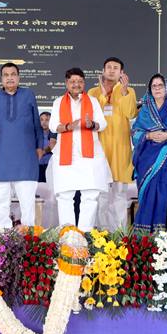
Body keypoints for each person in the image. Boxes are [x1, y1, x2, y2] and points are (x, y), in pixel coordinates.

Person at [0, 62, 42, 228]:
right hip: (1, 158)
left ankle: (28, 237)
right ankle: (2, 237)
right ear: (1, 78)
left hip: (26, 158)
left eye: (13, 74)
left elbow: (37, 124)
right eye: (6, 75)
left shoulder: (28, 95)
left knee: (27, 202)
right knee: (1, 201)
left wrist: (40, 146)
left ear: (18, 77)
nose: (10, 78)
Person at [50, 67, 111, 231]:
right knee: (65, 196)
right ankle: (68, 235)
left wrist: (91, 124)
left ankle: (85, 234)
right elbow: (53, 125)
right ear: (66, 83)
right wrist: (68, 126)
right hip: (66, 155)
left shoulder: (93, 101)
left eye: (80, 81)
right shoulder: (58, 102)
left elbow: (102, 124)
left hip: (89, 156)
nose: (76, 84)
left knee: (90, 196)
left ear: (84, 83)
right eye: (72, 81)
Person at [131, 74, 167, 231]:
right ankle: (146, 235)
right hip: (148, 158)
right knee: (150, 191)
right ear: (150, 90)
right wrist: (149, 135)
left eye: (160, 85)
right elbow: (135, 132)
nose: (157, 88)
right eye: (154, 86)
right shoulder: (144, 111)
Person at [87, 57, 137, 231]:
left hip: (120, 149)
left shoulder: (128, 91)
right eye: (108, 67)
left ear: (121, 73)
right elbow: (93, 115)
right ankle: (101, 233)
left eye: (116, 68)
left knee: (119, 194)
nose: (111, 70)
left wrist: (124, 92)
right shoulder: (93, 92)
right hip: (99, 148)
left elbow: (131, 113)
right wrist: (102, 94)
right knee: (101, 195)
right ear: (103, 70)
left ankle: (119, 233)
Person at [38, 111, 57, 183]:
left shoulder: (55, 134)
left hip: (50, 165)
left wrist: (43, 152)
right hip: (38, 165)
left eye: (47, 120)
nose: (44, 122)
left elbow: (52, 146)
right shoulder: (35, 134)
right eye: (41, 120)